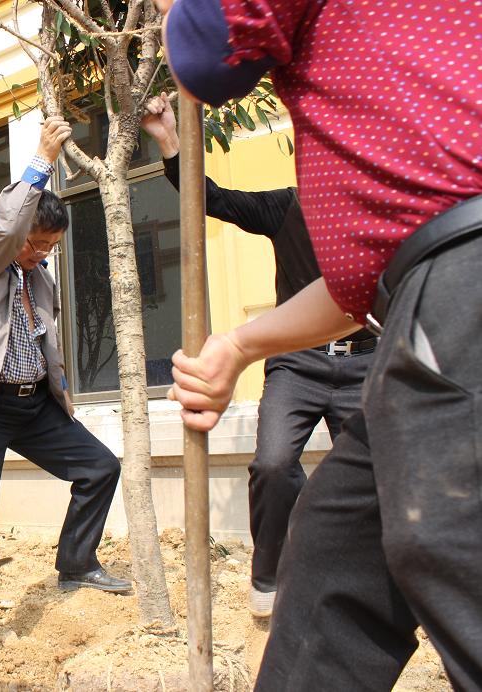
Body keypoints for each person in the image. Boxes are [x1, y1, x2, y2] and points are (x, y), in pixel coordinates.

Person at [157, 0, 482, 687]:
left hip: (457, 295)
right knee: (332, 556)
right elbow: (356, 288)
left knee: (455, 552)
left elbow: (205, 47)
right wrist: (238, 345)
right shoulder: (306, 198)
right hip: (389, 333)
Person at [141, 94, 376, 618]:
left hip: (367, 363)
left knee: (381, 474)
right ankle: (269, 577)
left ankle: (366, 579)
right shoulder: (285, 207)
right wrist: (170, 140)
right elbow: (210, 198)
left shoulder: (375, 214)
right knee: (272, 464)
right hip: (297, 364)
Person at [0, 116, 131, 674]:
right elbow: (3, 230)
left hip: (34, 405)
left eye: (49, 246)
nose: (40, 253)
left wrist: (59, 393)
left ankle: (76, 563)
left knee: (100, 467)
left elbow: (46, 341)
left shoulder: (39, 277)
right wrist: (41, 160)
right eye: (35, 242)